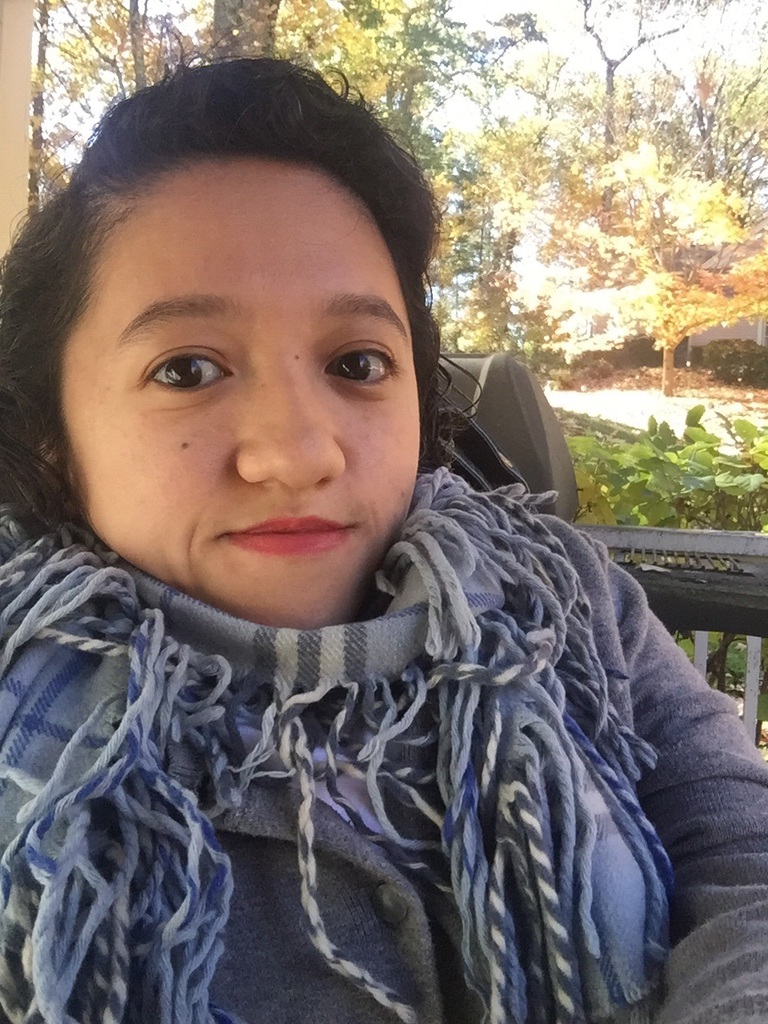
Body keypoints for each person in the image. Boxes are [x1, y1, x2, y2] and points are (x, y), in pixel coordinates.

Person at [0, 57, 766, 1024]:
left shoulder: (558, 601)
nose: (299, 454)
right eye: (188, 368)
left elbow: (742, 854)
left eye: (358, 361)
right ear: (52, 437)